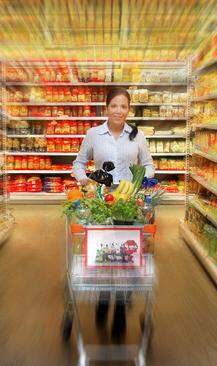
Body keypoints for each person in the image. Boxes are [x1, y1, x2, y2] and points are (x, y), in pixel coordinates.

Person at [72, 88, 154, 341]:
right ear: (106, 107)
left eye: (123, 106)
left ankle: (119, 308)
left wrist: (143, 182)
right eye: (114, 105)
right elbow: (78, 162)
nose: (119, 110)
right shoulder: (93, 134)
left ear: (129, 109)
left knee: (127, 254)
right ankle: (103, 299)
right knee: (103, 251)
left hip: (129, 204)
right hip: (101, 202)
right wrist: (84, 180)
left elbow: (149, 164)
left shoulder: (136, 135)